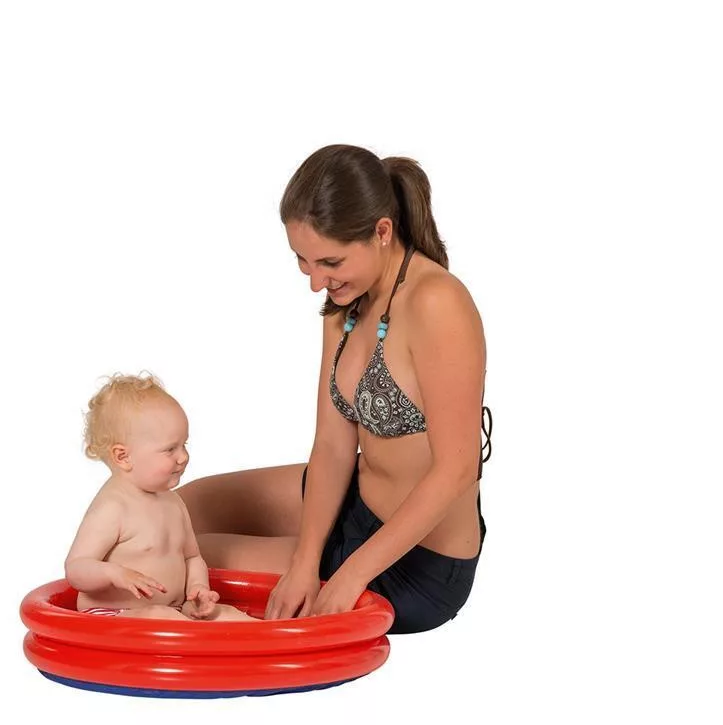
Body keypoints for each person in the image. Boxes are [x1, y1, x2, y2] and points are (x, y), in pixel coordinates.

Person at [179, 145, 492, 634]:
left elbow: (457, 469)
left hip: (414, 565)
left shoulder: (437, 303)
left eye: (330, 261)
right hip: (351, 503)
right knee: (175, 512)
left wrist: (349, 575)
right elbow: (332, 445)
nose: (316, 282)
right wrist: (304, 562)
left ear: (382, 232)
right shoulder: (346, 305)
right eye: (303, 261)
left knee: (176, 552)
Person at [63, 373, 258, 622]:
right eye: (170, 449)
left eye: (184, 445)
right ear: (123, 457)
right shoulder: (113, 508)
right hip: (111, 617)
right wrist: (114, 574)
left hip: (172, 611)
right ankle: (204, 642)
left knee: (225, 614)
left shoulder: (173, 502)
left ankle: (270, 639)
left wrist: (198, 588)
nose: (183, 457)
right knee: (160, 615)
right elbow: (76, 568)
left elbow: (191, 557)